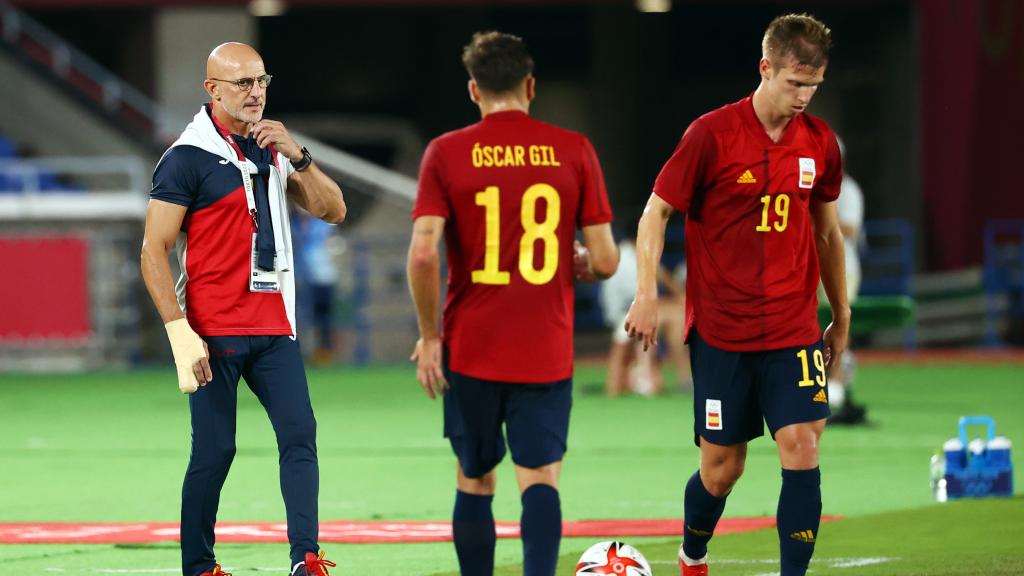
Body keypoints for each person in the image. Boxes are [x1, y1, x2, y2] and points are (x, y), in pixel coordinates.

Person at [624, 14, 849, 576]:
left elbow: (827, 232)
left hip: (794, 329)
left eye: (813, 87)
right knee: (722, 470)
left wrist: (840, 313)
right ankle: (692, 554)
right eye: (795, 84)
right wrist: (646, 295)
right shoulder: (711, 135)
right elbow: (656, 214)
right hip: (723, 334)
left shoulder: (820, 143)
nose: (803, 98)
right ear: (764, 68)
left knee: (803, 445)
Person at [406, 31, 618, 576]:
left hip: (471, 348)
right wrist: (578, 261)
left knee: (474, 476)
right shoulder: (574, 149)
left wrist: (430, 337)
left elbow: (424, 254)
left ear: (474, 90)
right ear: (530, 85)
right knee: (540, 476)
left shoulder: (446, 152)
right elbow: (608, 261)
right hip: (544, 347)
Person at [140, 42, 345, 576]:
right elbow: (152, 251)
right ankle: (199, 566)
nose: (256, 93)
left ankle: (306, 558)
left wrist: (298, 154)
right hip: (213, 331)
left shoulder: (270, 147)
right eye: (242, 84)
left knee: (300, 435)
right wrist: (180, 334)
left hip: (275, 327)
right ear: (212, 90)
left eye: (261, 81)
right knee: (214, 453)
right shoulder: (186, 157)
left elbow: (333, 209)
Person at [601, 235, 690, 397]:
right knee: (676, 317)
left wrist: (680, 298)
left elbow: (664, 280)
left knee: (677, 313)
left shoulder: (635, 253)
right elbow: (639, 296)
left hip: (632, 311)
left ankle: (667, 375)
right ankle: (682, 378)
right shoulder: (626, 257)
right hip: (625, 315)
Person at [825, 137, 868, 424]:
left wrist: (818, 217)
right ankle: (820, 383)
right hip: (810, 267)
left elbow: (851, 230)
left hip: (843, 268)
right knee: (811, 326)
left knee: (839, 323)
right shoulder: (806, 185)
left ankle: (837, 384)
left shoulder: (848, 190)